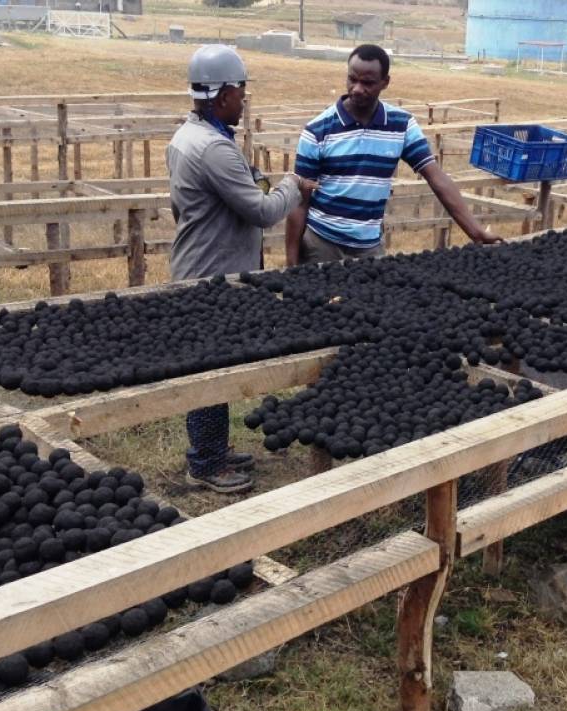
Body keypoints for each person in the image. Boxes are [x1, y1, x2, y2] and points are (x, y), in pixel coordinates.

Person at [166, 44, 317, 494]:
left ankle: (214, 449)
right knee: (211, 369)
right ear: (222, 94)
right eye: (240, 92)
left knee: (218, 364)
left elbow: (190, 204)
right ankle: (206, 464)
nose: (243, 100)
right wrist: (293, 185)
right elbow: (262, 211)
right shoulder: (213, 148)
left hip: (200, 263)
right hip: (214, 274)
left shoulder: (187, 136)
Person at [285, 44, 503, 266]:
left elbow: (436, 177)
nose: (357, 89)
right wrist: (292, 265)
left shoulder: (401, 125)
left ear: (385, 82)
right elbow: (299, 201)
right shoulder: (317, 130)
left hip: (369, 247)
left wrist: (476, 232)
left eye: (368, 83)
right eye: (352, 79)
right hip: (322, 245)